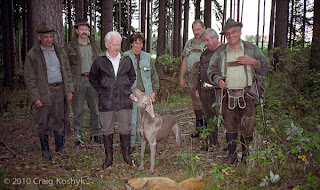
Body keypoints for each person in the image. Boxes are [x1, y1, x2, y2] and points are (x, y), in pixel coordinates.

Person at [207, 18, 269, 164]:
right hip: (227, 95)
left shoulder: (252, 49)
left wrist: (254, 62)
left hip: (247, 95)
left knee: (248, 125)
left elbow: (265, 67)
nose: (231, 35)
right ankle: (232, 155)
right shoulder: (220, 52)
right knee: (230, 125)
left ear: (240, 32)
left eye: (233, 32)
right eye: (227, 33)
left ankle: (246, 155)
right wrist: (217, 80)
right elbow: (211, 71)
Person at [24, 22, 74, 160]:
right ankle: (45, 151)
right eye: (46, 37)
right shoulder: (33, 55)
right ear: (39, 37)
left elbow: (67, 71)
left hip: (60, 89)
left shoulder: (60, 51)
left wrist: (69, 89)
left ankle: (60, 150)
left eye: (51, 36)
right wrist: (35, 97)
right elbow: (29, 78)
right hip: (43, 91)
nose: (49, 39)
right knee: (43, 121)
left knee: (59, 119)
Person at [89, 31, 136, 168]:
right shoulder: (99, 61)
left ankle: (126, 156)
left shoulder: (126, 59)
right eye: (114, 44)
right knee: (107, 129)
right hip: (106, 101)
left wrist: (126, 88)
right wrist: (102, 90)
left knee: (125, 128)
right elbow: (93, 78)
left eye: (119, 44)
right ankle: (109, 158)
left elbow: (132, 76)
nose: (117, 47)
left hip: (124, 100)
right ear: (106, 45)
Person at [65, 18, 102, 146]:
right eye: (81, 29)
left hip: (93, 80)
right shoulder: (70, 47)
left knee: (95, 110)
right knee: (78, 110)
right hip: (78, 81)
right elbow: (66, 68)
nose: (84, 31)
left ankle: (95, 134)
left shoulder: (95, 45)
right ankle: (78, 136)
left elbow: (101, 63)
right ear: (77, 31)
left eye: (86, 29)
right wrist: (69, 86)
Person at [124, 32, 159, 154]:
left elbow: (154, 76)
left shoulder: (147, 57)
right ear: (131, 43)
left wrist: (154, 91)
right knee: (132, 121)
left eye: (140, 42)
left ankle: (144, 143)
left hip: (146, 95)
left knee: (146, 121)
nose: (138, 45)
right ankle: (131, 145)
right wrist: (126, 93)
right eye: (136, 42)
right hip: (132, 95)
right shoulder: (125, 56)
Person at [194, 28, 222, 150]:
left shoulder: (224, 51)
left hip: (218, 90)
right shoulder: (205, 52)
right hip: (204, 89)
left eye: (207, 40)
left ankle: (230, 145)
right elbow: (200, 71)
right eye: (204, 41)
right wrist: (197, 88)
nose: (205, 43)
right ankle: (212, 141)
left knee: (223, 116)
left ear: (215, 38)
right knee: (208, 116)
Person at [180, 19, 206, 138]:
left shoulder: (207, 42)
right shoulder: (189, 43)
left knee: (205, 102)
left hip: (204, 78)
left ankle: (207, 130)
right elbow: (185, 60)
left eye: (198, 29)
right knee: (196, 104)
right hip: (191, 78)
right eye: (194, 30)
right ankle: (199, 129)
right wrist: (181, 77)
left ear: (204, 29)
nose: (196, 32)